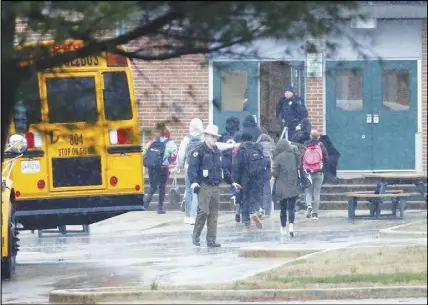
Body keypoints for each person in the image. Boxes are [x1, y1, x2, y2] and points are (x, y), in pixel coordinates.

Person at [188, 124, 241, 248]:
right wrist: (194, 181)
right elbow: (193, 168)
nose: (214, 139)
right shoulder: (199, 151)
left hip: (216, 185)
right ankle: (196, 235)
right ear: (206, 136)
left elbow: (223, 168)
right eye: (212, 137)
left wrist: (232, 182)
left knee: (213, 214)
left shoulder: (216, 151)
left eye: (215, 137)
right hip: (204, 185)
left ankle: (211, 239)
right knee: (203, 211)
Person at [233, 131, 267, 230]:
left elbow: (237, 167)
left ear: (242, 140)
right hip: (258, 177)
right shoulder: (258, 147)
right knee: (256, 196)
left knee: (245, 198)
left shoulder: (241, 149)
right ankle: (256, 212)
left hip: (245, 177)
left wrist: (236, 181)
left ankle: (246, 220)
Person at [175, 118, 204, 224]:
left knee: (188, 190)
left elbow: (181, 155)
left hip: (188, 167)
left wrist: (178, 166)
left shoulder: (186, 139)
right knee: (198, 190)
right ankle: (196, 214)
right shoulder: (203, 138)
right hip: (200, 168)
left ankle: (188, 216)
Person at [142, 126, 177, 214]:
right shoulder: (171, 143)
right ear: (168, 134)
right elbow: (173, 157)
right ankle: (160, 208)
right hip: (163, 168)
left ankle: (145, 204)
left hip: (152, 167)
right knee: (162, 187)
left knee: (152, 186)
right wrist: (167, 161)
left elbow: (143, 152)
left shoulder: (153, 141)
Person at [272, 139, 301, 238]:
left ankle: (283, 227)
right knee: (292, 208)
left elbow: (275, 174)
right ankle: (291, 227)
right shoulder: (294, 156)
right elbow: (298, 166)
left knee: (283, 209)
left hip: (282, 186)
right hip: (293, 184)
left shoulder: (278, 158)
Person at [303, 129, 329, 220]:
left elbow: (302, 157)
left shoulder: (305, 144)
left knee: (308, 192)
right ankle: (315, 214)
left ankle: (309, 205)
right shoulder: (321, 145)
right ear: (318, 137)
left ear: (310, 136)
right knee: (316, 193)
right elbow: (326, 158)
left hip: (308, 172)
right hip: (318, 171)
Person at [218, 117, 241, 212]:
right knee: (234, 180)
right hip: (234, 160)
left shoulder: (223, 136)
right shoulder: (239, 136)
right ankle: (234, 195)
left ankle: (216, 198)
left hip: (224, 160)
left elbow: (217, 145)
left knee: (224, 178)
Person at [256, 128, 275, 218]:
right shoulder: (272, 145)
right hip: (269, 169)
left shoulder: (258, 145)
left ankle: (261, 208)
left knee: (259, 190)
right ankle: (268, 211)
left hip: (259, 169)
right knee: (267, 190)